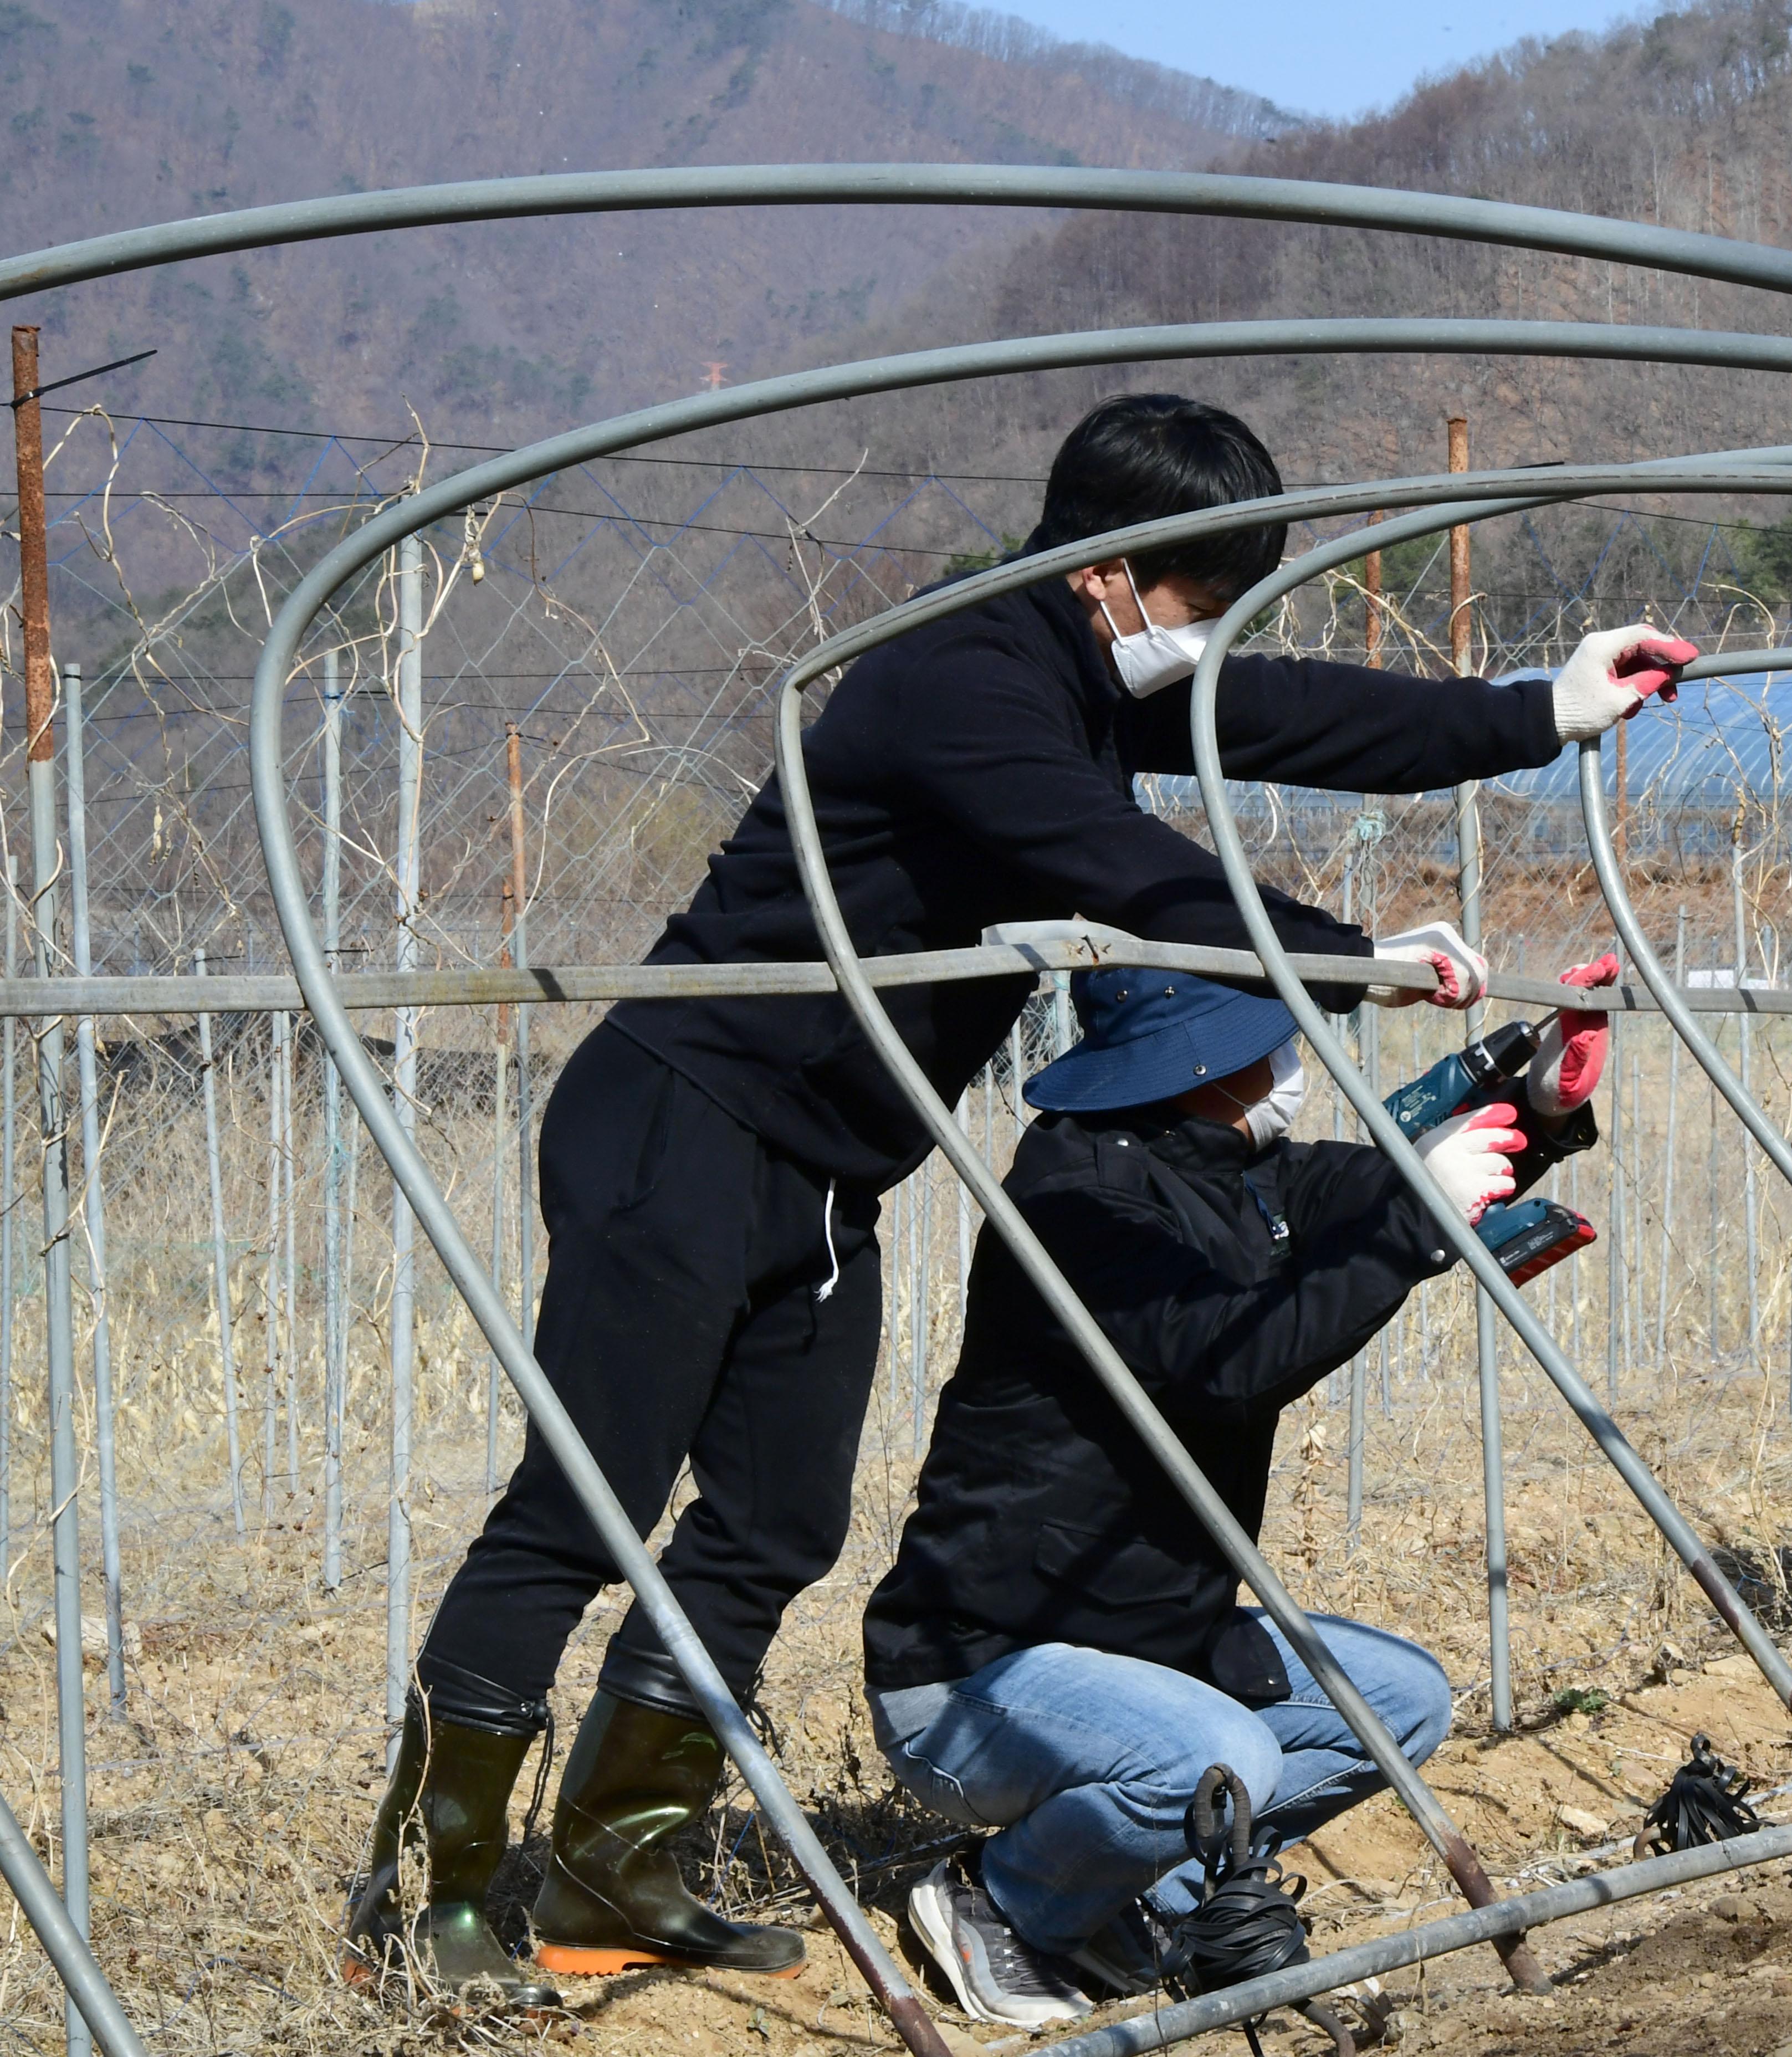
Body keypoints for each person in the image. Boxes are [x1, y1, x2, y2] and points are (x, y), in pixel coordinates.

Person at [349, 393, 1693, 2004]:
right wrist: (1338, 958)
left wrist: (1539, 710)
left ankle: (620, 1858)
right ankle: (433, 1898)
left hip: (829, 1170)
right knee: (582, 1507)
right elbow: (1108, 857)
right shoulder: (957, 685)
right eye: (1196, 607)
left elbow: (1300, 715)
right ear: (1109, 576)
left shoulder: (1079, 677)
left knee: (776, 1522)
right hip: (684, 1122)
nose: (1203, 652)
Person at [867, 969, 1604, 2027]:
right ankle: (1001, 1900)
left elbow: (1374, 1197)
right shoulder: (1076, 1206)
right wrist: (1412, 1224)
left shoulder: (1236, 1167)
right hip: (980, 1672)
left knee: (1396, 1704)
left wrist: (1537, 1114)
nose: (1291, 1067)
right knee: (1230, 1757)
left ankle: (1142, 1902)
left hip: (1148, 1645)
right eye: (1268, 1043)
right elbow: (1227, 1363)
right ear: (1199, 1063)